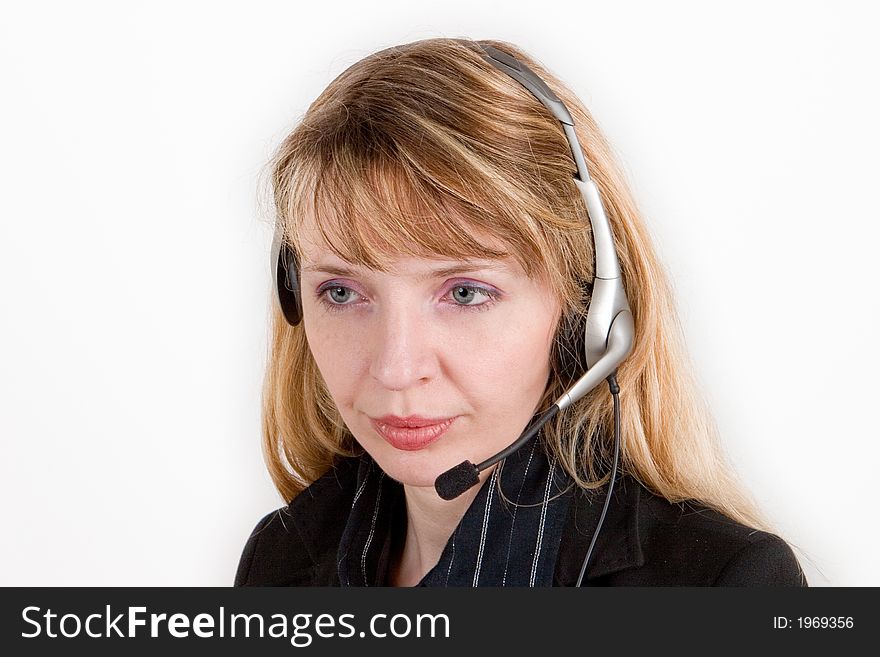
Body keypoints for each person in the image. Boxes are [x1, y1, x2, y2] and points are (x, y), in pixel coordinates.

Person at [234, 37, 807, 587]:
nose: (396, 368)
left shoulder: (722, 587)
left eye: (464, 293)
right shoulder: (281, 562)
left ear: (586, 306)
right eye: (341, 292)